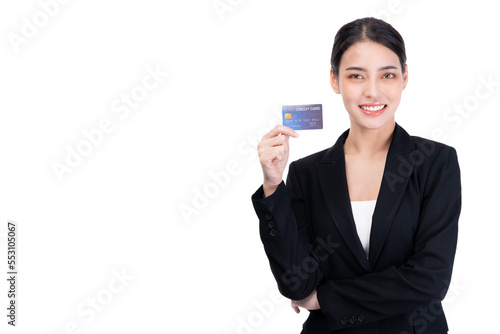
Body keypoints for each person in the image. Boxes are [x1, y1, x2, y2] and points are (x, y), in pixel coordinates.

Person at [251, 17, 461, 333]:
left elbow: (430, 281)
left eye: (387, 74)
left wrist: (326, 297)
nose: (372, 92)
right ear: (335, 81)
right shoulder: (306, 173)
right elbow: (297, 283)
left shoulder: (436, 163)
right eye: (356, 76)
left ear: (404, 78)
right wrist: (272, 184)